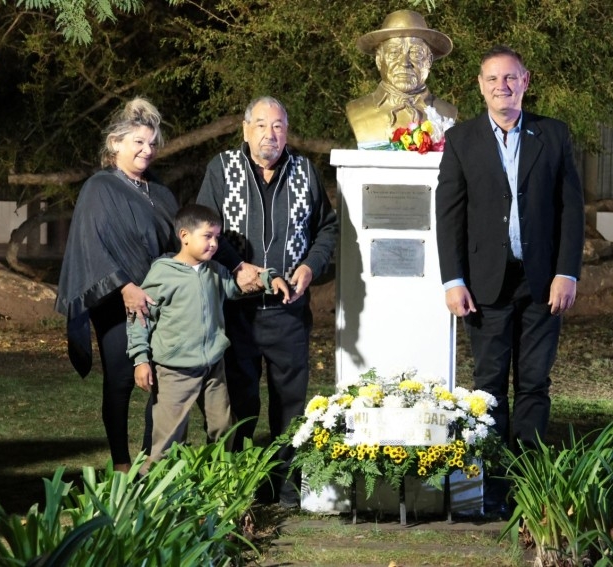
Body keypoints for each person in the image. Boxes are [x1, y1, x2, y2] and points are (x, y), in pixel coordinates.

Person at [435, 46, 585, 516]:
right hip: (484, 286)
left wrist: (566, 272)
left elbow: (571, 209)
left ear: (525, 82)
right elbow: (449, 216)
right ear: (480, 86)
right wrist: (453, 279)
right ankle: (494, 488)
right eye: (492, 79)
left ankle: (531, 487)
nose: (502, 86)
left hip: (543, 283)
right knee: (489, 388)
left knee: (535, 385)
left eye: (510, 78)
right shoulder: (461, 140)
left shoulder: (554, 135)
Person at [196, 96, 338, 507]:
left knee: (289, 406)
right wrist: (236, 265)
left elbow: (327, 229)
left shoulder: (305, 171)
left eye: (277, 126)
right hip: (235, 311)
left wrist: (310, 266)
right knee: (239, 403)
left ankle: (287, 489)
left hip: (288, 312)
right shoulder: (222, 169)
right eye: (261, 125)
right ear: (245, 130)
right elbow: (203, 228)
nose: (269, 134)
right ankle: (239, 488)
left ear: (286, 132)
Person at [55, 97, 179, 473]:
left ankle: (153, 459)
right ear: (116, 143)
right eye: (138, 142)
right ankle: (122, 464)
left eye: (152, 143)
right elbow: (90, 244)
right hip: (115, 298)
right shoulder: (99, 187)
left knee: (164, 378)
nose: (147, 150)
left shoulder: (160, 191)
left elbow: (177, 243)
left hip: (159, 299)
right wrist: (125, 286)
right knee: (122, 380)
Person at [127, 204, 289, 474]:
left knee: (224, 428)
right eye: (207, 236)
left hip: (213, 367)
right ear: (184, 235)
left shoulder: (215, 270)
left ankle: (216, 484)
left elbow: (240, 285)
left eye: (217, 237)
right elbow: (140, 317)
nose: (214, 243)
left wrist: (269, 279)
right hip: (175, 371)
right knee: (168, 440)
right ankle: (152, 491)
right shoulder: (162, 274)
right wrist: (140, 360)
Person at [346, 9, 458, 148]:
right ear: (379, 60)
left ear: (429, 61)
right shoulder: (357, 110)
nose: (404, 62)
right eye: (394, 52)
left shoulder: (446, 115)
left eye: (416, 53)